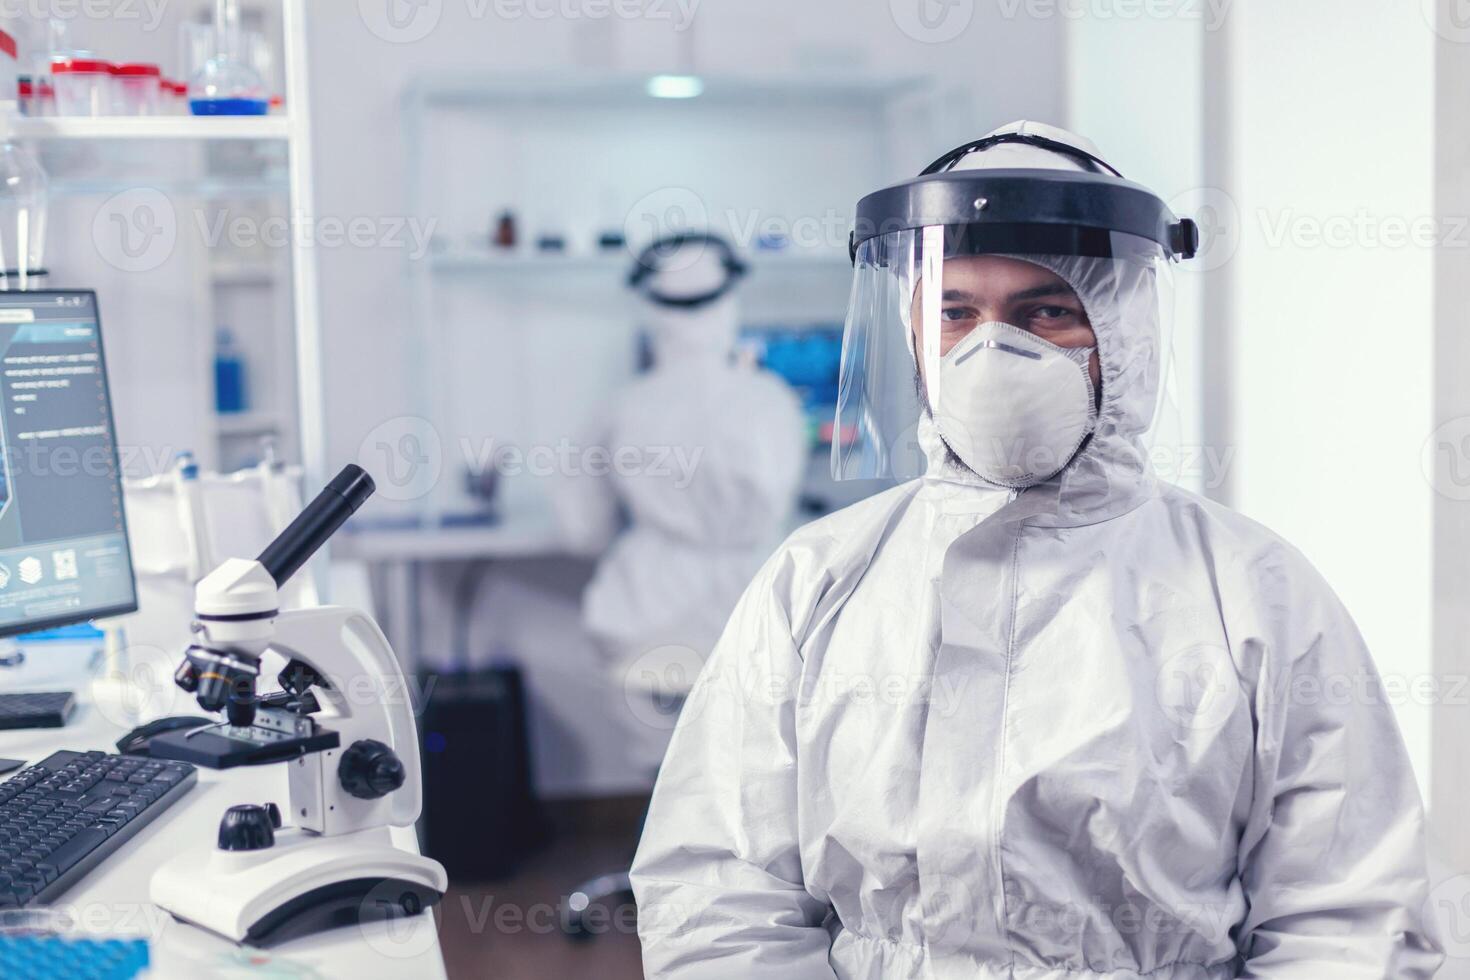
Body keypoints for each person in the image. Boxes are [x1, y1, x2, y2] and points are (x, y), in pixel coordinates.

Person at [630, 122, 1444, 978]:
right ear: (913, 332)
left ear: (1121, 332)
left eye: (1045, 312)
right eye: (955, 313)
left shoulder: (1255, 595)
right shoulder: (816, 581)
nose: (991, 351)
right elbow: (718, 895)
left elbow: (1352, 922)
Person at [556, 232, 807, 772]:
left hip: (646, 622)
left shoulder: (621, 407)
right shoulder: (774, 402)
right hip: (753, 619)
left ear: (650, 307)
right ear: (730, 300)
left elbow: (582, 532)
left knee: (668, 780)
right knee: (748, 774)